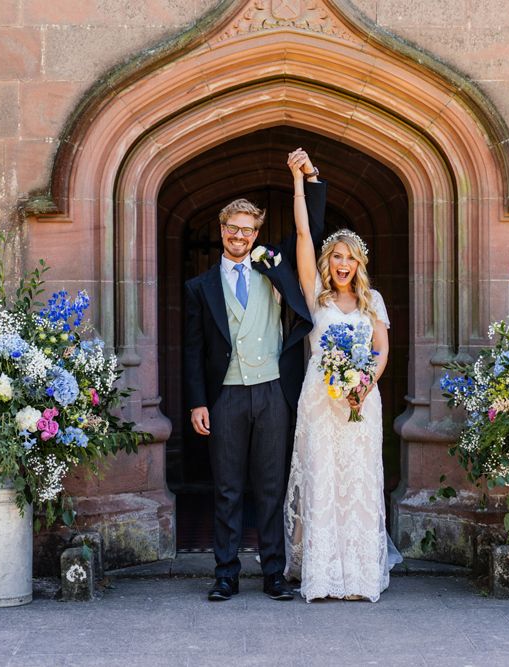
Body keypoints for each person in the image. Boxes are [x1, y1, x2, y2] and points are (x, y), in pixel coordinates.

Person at [183, 149, 326, 601]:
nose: (240, 236)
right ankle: (225, 573)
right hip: (224, 395)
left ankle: (273, 573)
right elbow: (192, 349)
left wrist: (307, 177)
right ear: (222, 230)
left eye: (248, 229)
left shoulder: (272, 266)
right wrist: (197, 401)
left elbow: (311, 228)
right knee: (226, 488)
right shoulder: (198, 287)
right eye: (233, 229)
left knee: (270, 487)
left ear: (257, 232)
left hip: (272, 391)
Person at [284, 155, 402, 602]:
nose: (343, 264)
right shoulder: (316, 297)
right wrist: (299, 180)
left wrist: (364, 385)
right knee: (322, 478)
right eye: (337, 256)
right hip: (319, 399)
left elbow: (382, 350)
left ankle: (357, 578)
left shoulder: (373, 300)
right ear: (327, 260)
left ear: (359, 264)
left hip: (361, 401)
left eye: (350, 258)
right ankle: (322, 574)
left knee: (358, 480)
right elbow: (301, 233)